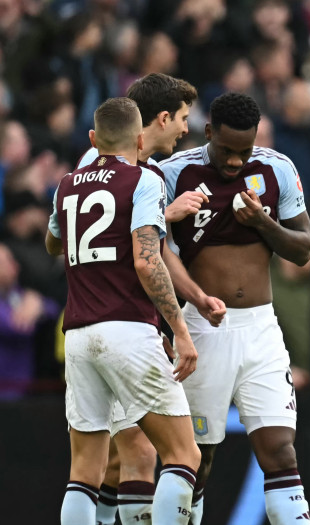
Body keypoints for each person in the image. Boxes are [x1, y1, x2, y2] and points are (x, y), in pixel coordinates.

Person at [76, 72, 227, 525]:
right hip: (122, 319)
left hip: (91, 322)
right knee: (167, 453)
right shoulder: (132, 172)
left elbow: (71, 235)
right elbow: (135, 250)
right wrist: (167, 213)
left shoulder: (91, 166)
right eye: (182, 118)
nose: (186, 129)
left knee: (124, 459)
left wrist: (195, 299)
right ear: (161, 118)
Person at [158, 92, 310, 523]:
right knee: (195, 459)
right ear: (208, 132)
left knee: (281, 452)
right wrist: (196, 299)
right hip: (203, 329)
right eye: (227, 150)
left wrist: (262, 222)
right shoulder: (173, 173)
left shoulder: (276, 168)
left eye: (243, 152)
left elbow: (303, 250)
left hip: (262, 329)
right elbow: (153, 252)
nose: (234, 162)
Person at [48, 97, 201, 525]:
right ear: (139, 139)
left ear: (94, 139)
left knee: (84, 473)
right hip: (128, 329)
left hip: (77, 334)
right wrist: (179, 330)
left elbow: (52, 242)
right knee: (182, 454)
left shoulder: (66, 184)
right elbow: (146, 261)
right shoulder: (142, 180)